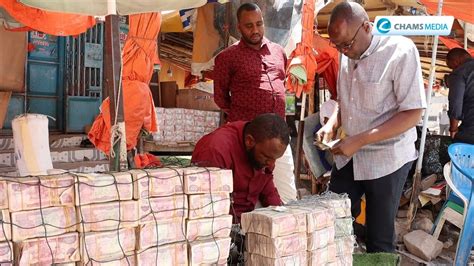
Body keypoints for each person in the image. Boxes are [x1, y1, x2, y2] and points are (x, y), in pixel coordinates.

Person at [317, 2, 426, 253]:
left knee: (379, 237)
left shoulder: (400, 51)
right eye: (338, 46)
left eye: (347, 44)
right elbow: (345, 101)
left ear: (366, 27)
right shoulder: (346, 54)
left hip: (387, 159)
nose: (343, 51)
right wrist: (333, 124)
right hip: (351, 155)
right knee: (333, 220)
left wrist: (362, 139)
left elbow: (412, 113)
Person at [213, 3, 297, 203]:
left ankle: (286, 233)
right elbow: (221, 98)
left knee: (287, 196)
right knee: (248, 195)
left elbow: (281, 85)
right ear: (239, 27)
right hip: (250, 141)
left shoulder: (278, 52)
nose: (255, 30)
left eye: (259, 24)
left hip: (278, 138)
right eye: (249, 26)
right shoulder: (227, 57)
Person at [191, 113, 289, 222]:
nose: (271, 164)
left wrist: (282, 219)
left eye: (275, 159)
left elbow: (268, 189)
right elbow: (206, 206)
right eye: (266, 157)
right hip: (217, 223)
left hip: (246, 220)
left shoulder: (265, 152)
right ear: (249, 141)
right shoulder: (216, 149)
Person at [445, 48, 474, 144]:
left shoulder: (459, 73)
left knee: (457, 145)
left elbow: (455, 103)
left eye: (452, 67)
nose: (453, 70)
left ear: (456, 61)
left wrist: (453, 129)